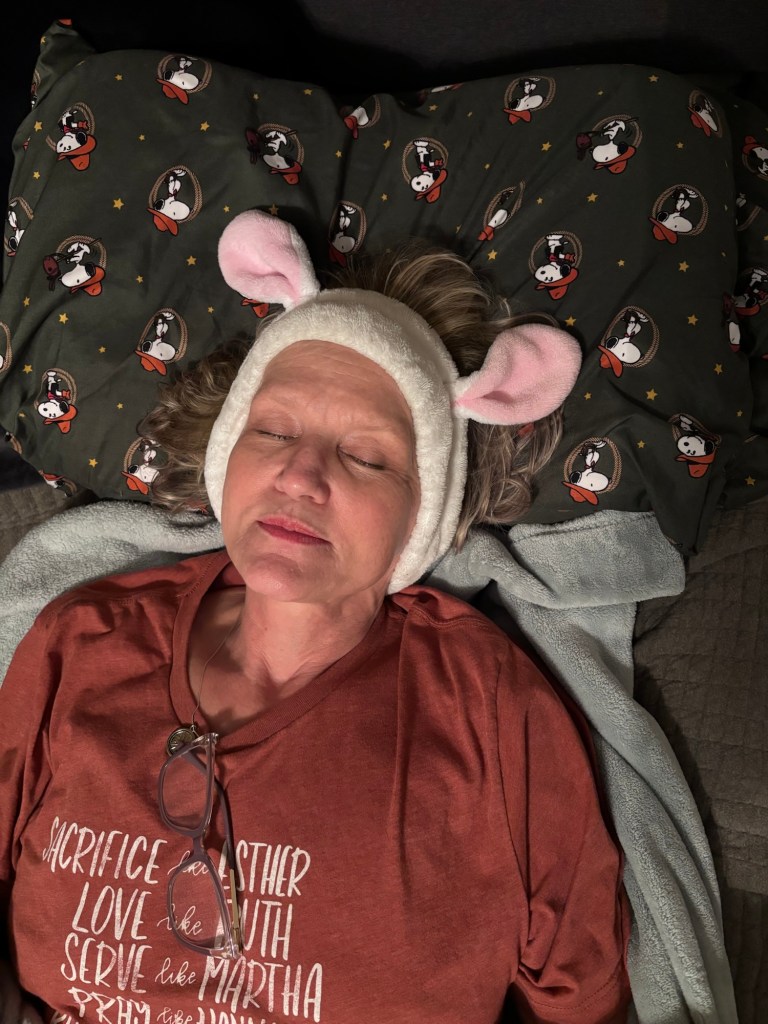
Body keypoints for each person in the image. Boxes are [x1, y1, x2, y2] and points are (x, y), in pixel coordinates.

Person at [0, 210, 631, 1024]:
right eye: (273, 430)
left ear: (422, 514)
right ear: (228, 455)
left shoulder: (489, 710)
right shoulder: (85, 641)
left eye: (365, 455)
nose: (300, 475)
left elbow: (583, 998)